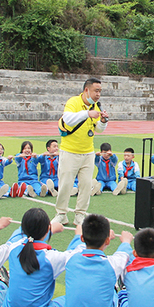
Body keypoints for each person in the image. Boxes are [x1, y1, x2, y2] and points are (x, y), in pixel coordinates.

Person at [58, 214, 131, 307]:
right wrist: (126, 240)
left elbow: (77, 248)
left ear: (82, 238)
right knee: (115, 296)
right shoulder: (112, 263)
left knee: (69, 297)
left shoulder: (70, 258)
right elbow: (124, 252)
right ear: (108, 241)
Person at [4, 208, 79, 307]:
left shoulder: (12, 248)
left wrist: (50, 230)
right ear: (46, 229)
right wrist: (78, 236)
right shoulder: (51, 258)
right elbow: (74, 255)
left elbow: (24, 237)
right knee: (71, 301)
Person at [54, 78, 109, 226]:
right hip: (69, 151)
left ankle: (80, 214)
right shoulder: (73, 102)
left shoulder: (96, 106)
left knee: (85, 185)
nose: (98, 94)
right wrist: (87, 114)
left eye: (100, 91)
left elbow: (98, 129)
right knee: (65, 184)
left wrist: (103, 121)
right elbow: (68, 119)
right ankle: (61, 213)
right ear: (86, 90)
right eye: (96, 91)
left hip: (88, 152)